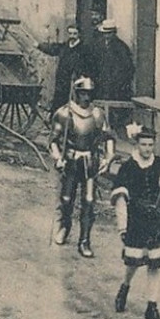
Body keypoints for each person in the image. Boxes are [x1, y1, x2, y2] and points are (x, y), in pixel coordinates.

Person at [111, 124, 160, 319]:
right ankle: (125, 287)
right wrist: (122, 227)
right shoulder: (128, 167)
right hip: (137, 220)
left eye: (150, 145)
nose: (147, 149)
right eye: (144, 144)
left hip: (157, 219)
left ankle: (152, 306)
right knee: (133, 262)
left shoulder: (159, 164)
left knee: (155, 264)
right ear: (137, 144)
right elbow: (121, 198)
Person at [49, 77, 113, 256]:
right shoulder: (64, 113)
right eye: (83, 93)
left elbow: (108, 137)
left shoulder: (98, 114)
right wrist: (57, 158)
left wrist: (108, 158)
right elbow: (53, 141)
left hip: (90, 161)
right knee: (67, 198)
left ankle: (85, 240)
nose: (86, 97)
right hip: (70, 159)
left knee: (89, 200)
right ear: (76, 93)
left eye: (89, 94)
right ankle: (64, 226)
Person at [37, 20, 97, 117]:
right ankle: (57, 122)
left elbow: (89, 65)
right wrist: (39, 46)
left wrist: (83, 75)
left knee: (75, 105)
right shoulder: (64, 47)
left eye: (75, 33)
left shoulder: (84, 49)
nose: (72, 36)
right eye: (70, 33)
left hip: (75, 81)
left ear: (79, 34)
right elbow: (52, 49)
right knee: (59, 103)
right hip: (62, 81)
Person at [92, 20, 135, 129]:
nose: (107, 35)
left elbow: (127, 69)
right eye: (105, 33)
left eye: (110, 33)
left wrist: (117, 82)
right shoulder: (99, 45)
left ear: (114, 33)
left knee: (115, 113)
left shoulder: (121, 48)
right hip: (101, 83)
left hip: (116, 87)